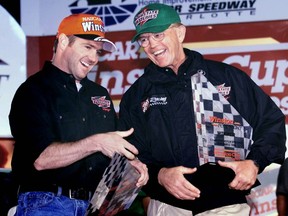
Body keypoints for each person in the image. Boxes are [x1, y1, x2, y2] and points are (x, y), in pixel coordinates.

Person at [118, 3, 287, 216]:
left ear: (180, 33)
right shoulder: (137, 95)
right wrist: (159, 175)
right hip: (167, 207)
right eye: (144, 39)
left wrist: (254, 163)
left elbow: (271, 122)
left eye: (159, 35)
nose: (151, 45)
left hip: (226, 205)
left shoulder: (225, 78)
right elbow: (128, 155)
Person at [9, 13, 148, 215]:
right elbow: (41, 159)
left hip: (96, 205)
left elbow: (110, 147)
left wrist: (131, 164)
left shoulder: (100, 94)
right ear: (64, 41)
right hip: (46, 203)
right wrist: (98, 142)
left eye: (98, 52)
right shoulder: (32, 90)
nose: (93, 58)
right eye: (87, 47)